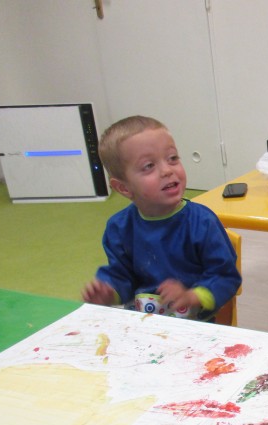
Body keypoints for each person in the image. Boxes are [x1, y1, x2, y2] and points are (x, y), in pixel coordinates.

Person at [82, 116, 241, 321]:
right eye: (149, 166)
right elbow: (121, 276)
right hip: (143, 324)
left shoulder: (203, 222)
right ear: (123, 187)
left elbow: (226, 276)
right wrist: (108, 292)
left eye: (172, 158)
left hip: (195, 326)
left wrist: (191, 296)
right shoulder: (119, 228)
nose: (167, 170)